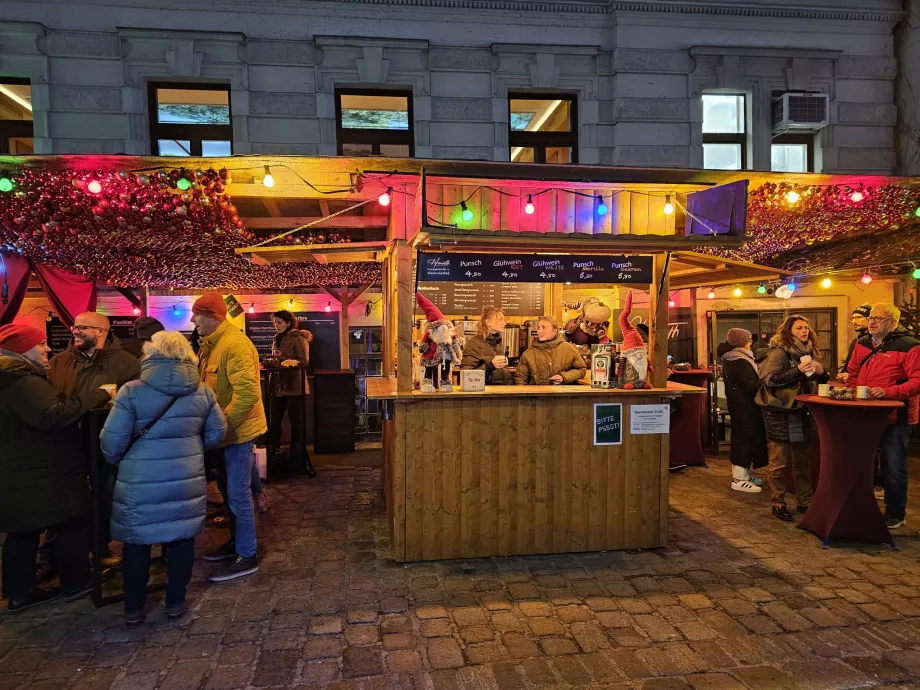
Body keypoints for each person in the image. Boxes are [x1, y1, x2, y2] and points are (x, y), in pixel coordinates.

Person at [100, 331, 227, 625]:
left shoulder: (131, 391)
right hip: (186, 478)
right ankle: (174, 603)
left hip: (140, 480)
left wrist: (121, 460)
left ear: (150, 355)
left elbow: (111, 443)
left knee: (137, 542)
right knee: (181, 539)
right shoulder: (203, 391)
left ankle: (133, 609)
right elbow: (217, 433)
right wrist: (191, 449)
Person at [0, 324, 111, 612]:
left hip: (20, 469)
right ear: (23, 349)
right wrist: (99, 395)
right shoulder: (22, 381)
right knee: (72, 522)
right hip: (44, 470)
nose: (47, 348)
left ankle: (19, 592)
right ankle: (76, 582)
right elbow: (53, 413)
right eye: (40, 344)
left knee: (21, 531)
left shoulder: (13, 378)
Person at [47, 311, 141, 569]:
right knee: (63, 495)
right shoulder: (59, 362)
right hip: (66, 440)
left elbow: (133, 405)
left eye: (83, 327)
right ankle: (53, 552)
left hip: (104, 440)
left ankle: (99, 545)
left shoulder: (126, 363)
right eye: (75, 326)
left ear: (102, 332)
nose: (75, 331)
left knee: (105, 494)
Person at [191, 292, 267, 582]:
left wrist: (218, 427)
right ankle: (236, 543)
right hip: (225, 433)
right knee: (227, 491)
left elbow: (247, 395)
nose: (192, 321)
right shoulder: (213, 345)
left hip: (236, 433)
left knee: (237, 493)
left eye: (197, 315)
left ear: (211, 317)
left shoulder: (233, 344)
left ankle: (247, 555)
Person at [847, 303, 920, 529]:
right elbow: (853, 372)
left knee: (894, 466)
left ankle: (895, 512)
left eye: (879, 318)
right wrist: (852, 394)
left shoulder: (909, 346)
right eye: (871, 318)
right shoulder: (862, 343)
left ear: (893, 322)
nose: (872, 321)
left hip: (896, 416)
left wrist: (889, 393)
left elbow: (917, 381)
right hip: (866, 413)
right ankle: (861, 506)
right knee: (862, 462)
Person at [757, 315, 828, 522]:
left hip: (804, 411)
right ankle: (778, 502)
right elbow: (770, 379)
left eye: (806, 327)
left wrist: (822, 371)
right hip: (781, 412)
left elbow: (819, 378)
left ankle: (805, 501)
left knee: (802, 460)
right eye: (799, 328)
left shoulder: (812, 351)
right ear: (789, 332)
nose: (804, 331)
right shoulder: (780, 352)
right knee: (779, 460)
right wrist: (797, 370)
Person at [718, 329, 767, 493]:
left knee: (746, 436)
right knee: (743, 438)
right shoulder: (738, 360)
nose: (751, 342)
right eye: (748, 339)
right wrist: (765, 384)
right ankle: (739, 479)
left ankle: (744, 474)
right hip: (743, 405)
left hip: (741, 405)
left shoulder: (735, 358)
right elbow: (749, 385)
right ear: (741, 342)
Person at [268, 310, 315, 478]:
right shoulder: (276, 338)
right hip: (278, 386)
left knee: (296, 421)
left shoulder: (298, 338)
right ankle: (275, 452)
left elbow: (304, 362)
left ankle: (297, 452)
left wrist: (284, 357)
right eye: (275, 322)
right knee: (274, 420)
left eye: (279, 322)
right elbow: (277, 360)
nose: (276, 325)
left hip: (294, 385)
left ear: (288, 323)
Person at [515, 316, 587, 385]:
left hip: (561, 396)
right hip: (537, 397)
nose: (539, 331)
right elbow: (520, 378)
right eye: (538, 328)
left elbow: (581, 370)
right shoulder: (529, 353)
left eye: (544, 328)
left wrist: (564, 377)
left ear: (554, 331)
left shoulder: (569, 349)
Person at [461, 307, 513, 385]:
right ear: (488, 322)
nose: (504, 323)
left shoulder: (497, 342)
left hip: (503, 391)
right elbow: (467, 376)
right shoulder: (474, 343)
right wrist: (490, 365)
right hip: (487, 393)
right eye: (500, 319)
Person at [838, 304, 871, 382]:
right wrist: (842, 374)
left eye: (859, 317)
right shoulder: (856, 340)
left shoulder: (878, 340)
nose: (854, 321)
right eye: (853, 318)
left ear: (870, 319)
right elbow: (848, 365)